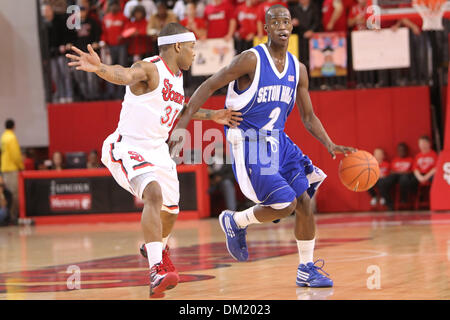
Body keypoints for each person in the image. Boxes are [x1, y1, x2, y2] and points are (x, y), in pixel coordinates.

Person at [170, 5, 355, 288]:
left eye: (285, 21)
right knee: (285, 203)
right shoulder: (251, 60)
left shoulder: (299, 69)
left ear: (292, 27)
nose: (282, 25)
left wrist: (329, 143)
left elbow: (308, 116)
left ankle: (306, 268)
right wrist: (183, 124)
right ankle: (236, 221)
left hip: (279, 140)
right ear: (265, 29)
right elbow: (209, 85)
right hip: (250, 139)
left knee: (304, 201)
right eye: (275, 21)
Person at [66, 22, 242, 297]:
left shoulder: (177, 76)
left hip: (158, 150)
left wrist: (213, 116)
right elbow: (124, 74)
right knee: (154, 193)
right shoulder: (150, 67)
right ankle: (156, 268)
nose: (196, 53)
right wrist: (100, 68)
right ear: (178, 46)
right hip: (128, 146)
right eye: (193, 47)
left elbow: (180, 108)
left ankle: (156, 247)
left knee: (170, 211)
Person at [42, 3, 76, 103]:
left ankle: (69, 95)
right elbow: (44, 41)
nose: (46, 13)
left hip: (61, 53)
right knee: (55, 76)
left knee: (65, 74)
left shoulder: (60, 21)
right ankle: (60, 95)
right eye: (44, 11)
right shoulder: (43, 25)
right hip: (51, 55)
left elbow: (66, 35)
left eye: (48, 10)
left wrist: (64, 45)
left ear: (51, 10)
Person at [73, 2, 102, 100]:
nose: (82, 13)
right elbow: (70, 38)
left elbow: (97, 33)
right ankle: (84, 95)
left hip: (90, 53)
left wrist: (96, 42)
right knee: (80, 76)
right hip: (79, 53)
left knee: (91, 76)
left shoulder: (92, 22)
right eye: (80, 11)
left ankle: (93, 95)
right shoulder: (73, 23)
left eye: (83, 10)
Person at [101, 0, 129, 99]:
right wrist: (103, 41)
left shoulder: (123, 17)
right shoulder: (106, 18)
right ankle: (111, 92)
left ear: (118, 6)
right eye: (111, 5)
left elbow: (127, 29)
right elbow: (103, 32)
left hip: (121, 46)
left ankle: (121, 92)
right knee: (109, 68)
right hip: (109, 46)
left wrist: (123, 35)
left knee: (121, 68)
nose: (113, 7)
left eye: (115, 5)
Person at [0, 119, 24, 225]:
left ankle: (8, 216)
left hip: (5, 169)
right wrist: (21, 166)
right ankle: (13, 217)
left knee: (8, 193)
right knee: (14, 194)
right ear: (14, 126)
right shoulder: (12, 137)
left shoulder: (3, 137)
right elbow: (15, 155)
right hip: (12, 169)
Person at [378, 142, 413, 210]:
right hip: (395, 175)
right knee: (382, 183)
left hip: (405, 176)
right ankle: (389, 203)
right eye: (400, 150)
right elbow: (391, 171)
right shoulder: (394, 160)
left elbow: (412, 171)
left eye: (403, 150)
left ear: (406, 151)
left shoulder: (410, 160)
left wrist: (402, 172)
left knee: (404, 179)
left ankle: (403, 199)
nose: (401, 152)